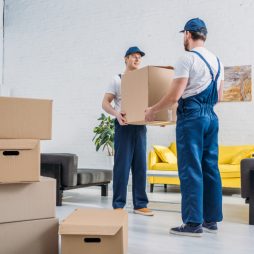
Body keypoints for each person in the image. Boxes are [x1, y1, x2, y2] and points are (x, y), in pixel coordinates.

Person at [145, 18, 224, 235]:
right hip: (211, 117)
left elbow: (173, 96)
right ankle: (211, 220)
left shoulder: (187, 58)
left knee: (190, 168)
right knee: (210, 167)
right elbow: (219, 96)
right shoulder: (218, 61)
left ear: (188, 34)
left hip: (192, 119)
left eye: (184, 34)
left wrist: (152, 109)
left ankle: (192, 223)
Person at [102, 46, 153, 216]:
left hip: (140, 127)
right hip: (123, 126)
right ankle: (118, 205)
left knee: (140, 166)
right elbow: (105, 103)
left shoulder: (143, 81)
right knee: (122, 167)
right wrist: (116, 114)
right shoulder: (117, 79)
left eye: (139, 57)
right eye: (133, 56)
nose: (137, 59)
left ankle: (140, 204)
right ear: (125, 59)